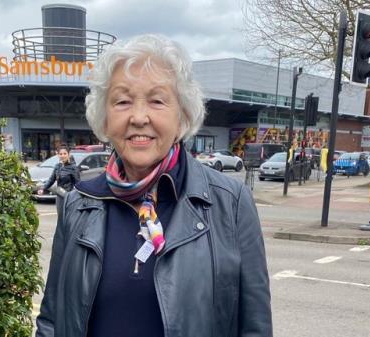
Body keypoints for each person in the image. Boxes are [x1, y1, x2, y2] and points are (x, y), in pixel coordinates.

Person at [36, 34, 272, 337]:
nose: (138, 117)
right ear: (105, 119)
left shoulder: (231, 202)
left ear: (182, 115)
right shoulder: (78, 203)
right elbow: (53, 320)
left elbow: (254, 327)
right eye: (122, 101)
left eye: (157, 100)